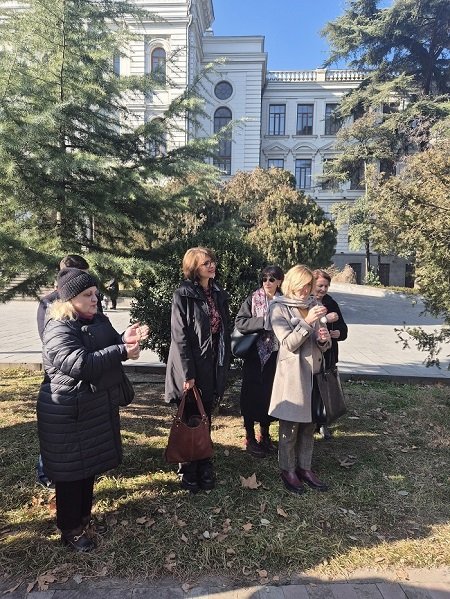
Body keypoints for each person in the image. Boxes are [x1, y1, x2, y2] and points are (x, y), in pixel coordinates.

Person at [37, 267, 149, 552]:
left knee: (87, 470)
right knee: (70, 476)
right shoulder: (58, 327)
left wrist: (125, 338)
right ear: (70, 298)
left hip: (90, 408)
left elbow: (108, 345)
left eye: (95, 293)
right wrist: (121, 351)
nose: (94, 299)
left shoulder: (97, 320)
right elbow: (81, 364)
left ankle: (84, 518)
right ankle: (70, 529)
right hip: (67, 413)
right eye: (87, 295)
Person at [165, 247, 231, 493]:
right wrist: (188, 373)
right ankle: (188, 467)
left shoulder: (218, 293)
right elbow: (180, 336)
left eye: (212, 261)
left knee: (205, 415)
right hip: (191, 363)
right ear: (194, 268)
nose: (211, 266)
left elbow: (223, 330)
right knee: (189, 415)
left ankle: (204, 461)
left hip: (213, 363)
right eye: (205, 263)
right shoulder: (183, 294)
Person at [36, 254, 103, 488]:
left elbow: (99, 334)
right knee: (61, 441)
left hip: (83, 386)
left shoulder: (89, 303)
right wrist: (120, 351)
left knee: (79, 444)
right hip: (62, 382)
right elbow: (56, 347)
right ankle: (47, 472)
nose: (93, 298)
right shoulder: (51, 308)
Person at [267, 265, 331, 495]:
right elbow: (288, 343)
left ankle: (305, 467)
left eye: (309, 286)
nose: (306, 291)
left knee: (309, 425)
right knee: (290, 427)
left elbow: (324, 344)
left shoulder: (313, 305)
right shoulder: (279, 307)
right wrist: (307, 322)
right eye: (302, 286)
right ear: (291, 284)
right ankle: (288, 470)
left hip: (314, 375)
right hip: (293, 376)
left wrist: (323, 339)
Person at [235, 265, 284, 458]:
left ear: (279, 281)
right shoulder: (253, 299)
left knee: (269, 395)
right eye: (264, 279)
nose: (267, 283)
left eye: (271, 279)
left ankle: (265, 434)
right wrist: (263, 321)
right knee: (250, 395)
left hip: (275, 355)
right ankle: (249, 436)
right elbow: (240, 322)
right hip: (254, 354)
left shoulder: (284, 300)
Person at [312, 269, 348, 440]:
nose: (323, 289)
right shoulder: (306, 301)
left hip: (328, 353)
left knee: (326, 388)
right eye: (320, 285)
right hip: (311, 352)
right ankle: (311, 420)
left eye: (326, 286)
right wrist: (325, 320)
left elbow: (344, 330)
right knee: (312, 388)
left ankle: (323, 423)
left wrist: (338, 333)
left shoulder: (331, 303)